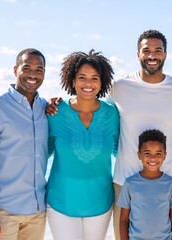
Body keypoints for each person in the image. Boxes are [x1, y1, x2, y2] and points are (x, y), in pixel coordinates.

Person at [45, 29, 172, 239]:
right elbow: (96, 111)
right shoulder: (119, 87)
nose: (152, 55)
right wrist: (53, 103)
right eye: (146, 50)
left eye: (157, 50)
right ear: (137, 54)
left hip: (166, 178)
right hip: (123, 180)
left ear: (166, 54)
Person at [0, 48, 48, 240]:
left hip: (37, 212)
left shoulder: (44, 107)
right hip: (3, 212)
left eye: (39, 70)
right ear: (15, 70)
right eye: (27, 68)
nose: (33, 74)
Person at [46, 50, 119, 239]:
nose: (88, 83)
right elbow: (41, 152)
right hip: (61, 202)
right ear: (72, 80)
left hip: (100, 202)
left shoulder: (112, 115)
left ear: (102, 82)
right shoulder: (55, 112)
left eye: (95, 78)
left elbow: (122, 152)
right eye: (82, 77)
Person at [117, 129, 172, 240]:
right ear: (139, 155)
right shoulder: (130, 183)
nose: (153, 158)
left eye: (158, 153)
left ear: (165, 156)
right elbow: (123, 220)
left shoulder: (171, 184)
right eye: (147, 153)